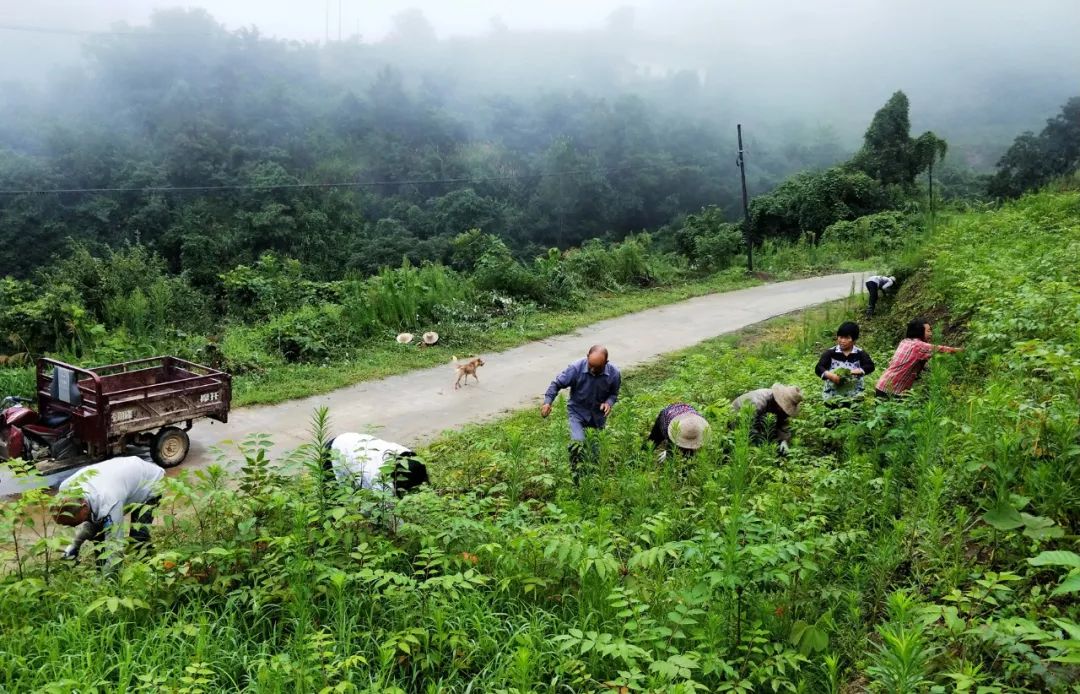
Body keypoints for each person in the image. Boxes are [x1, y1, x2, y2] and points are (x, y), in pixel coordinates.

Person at [53, 456, 165, 569]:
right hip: (123, 476)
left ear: (84, 507)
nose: (69, 526)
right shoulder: (66, 488)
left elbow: (115, 548)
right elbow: (94, 524)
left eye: (72, 523)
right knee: (99, 536)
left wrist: (108, 580)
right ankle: (101, 568)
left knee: (138, 537)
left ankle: (151, 571)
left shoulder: (109, 503)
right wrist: (74, 546)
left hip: (151, 482)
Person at [541, 345, 622, 482]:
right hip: (577, 413)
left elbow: (614, 394)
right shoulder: (575, 368)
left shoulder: (614, 374)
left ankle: (591, 483)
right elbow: (556, 384)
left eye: (598, 367)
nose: (593, 370)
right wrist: (548, 402)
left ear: (606, 363)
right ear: (587, 357)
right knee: (577, 443)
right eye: (591, 365)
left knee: (594, 454)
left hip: (598, 417)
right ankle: (575, 476)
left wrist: (608, 403)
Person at [875, 318, 962, 397]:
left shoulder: (905, 342)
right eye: (928, 331)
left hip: (882, 385)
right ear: (919, 331)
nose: (931, 334)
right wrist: (962, 350)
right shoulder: (918, 346)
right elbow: (942, 349)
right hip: (891, 390)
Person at [323, 432, 429, 496]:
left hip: (352, 442)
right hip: (335, 451)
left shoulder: (409, 457)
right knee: (335, 495)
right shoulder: (378, 476)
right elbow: (381, 510)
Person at [730, 384, 803, 456]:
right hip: (736, 416)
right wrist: (761, 446)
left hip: (755, 419)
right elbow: (749, 425)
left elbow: (783, 423)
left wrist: (784, 441)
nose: (784, 409)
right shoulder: (759, 401)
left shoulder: (778, 407)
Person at [815, 321, 876, 406]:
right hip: (832, 395)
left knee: (853, 416)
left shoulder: (860, 353)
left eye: (847, 338)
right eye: (840, 337)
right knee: (833, 417)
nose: (843, 341)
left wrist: (860, 370)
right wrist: (830, 375)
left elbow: (870, 366)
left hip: (854, 395)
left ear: (854, 339)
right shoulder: (830, 353)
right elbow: (819, 368)